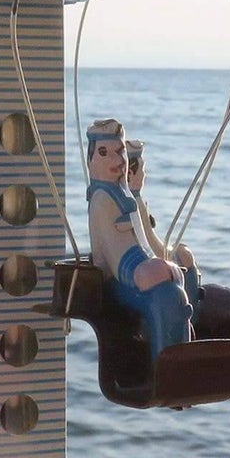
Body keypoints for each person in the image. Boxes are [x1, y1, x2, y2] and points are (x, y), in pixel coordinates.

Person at [85, 119, 193, 362]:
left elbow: (144, 241)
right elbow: (114, 253)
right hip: (117, 277)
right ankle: (167, 367)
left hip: (136, 264)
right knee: (166, 289)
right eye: (104, 153)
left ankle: (179, 362)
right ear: (92, 159)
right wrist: (146, 269)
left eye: (120, 152)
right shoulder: (102, 199)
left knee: (172, 286)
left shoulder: (121, 195)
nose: (117, 160)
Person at [125, 137, 202, 319]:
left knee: (182, 252)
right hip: (147, 258)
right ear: (130, 174)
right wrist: (173, 256)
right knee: (185, 256)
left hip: (145, 256)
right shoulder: (133, 203)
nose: (144, 175)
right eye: (142, 170)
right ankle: (193, 313)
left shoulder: (132, 200)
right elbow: (147, 242)